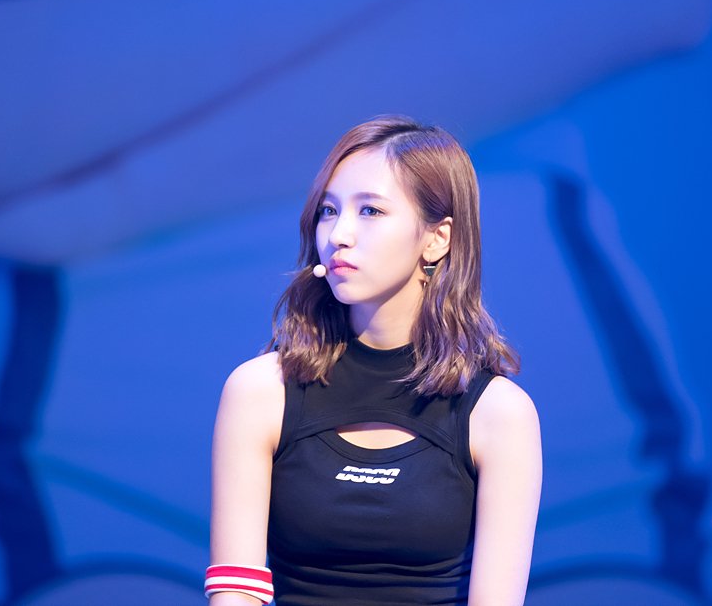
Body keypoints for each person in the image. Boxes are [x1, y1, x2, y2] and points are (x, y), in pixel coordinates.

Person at [209, 115, 542, 606]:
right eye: (328, 210)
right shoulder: (261, 392)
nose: (338, 234)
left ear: (437, 238)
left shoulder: (498, 414)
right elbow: (235, 593)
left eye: (370, 211)